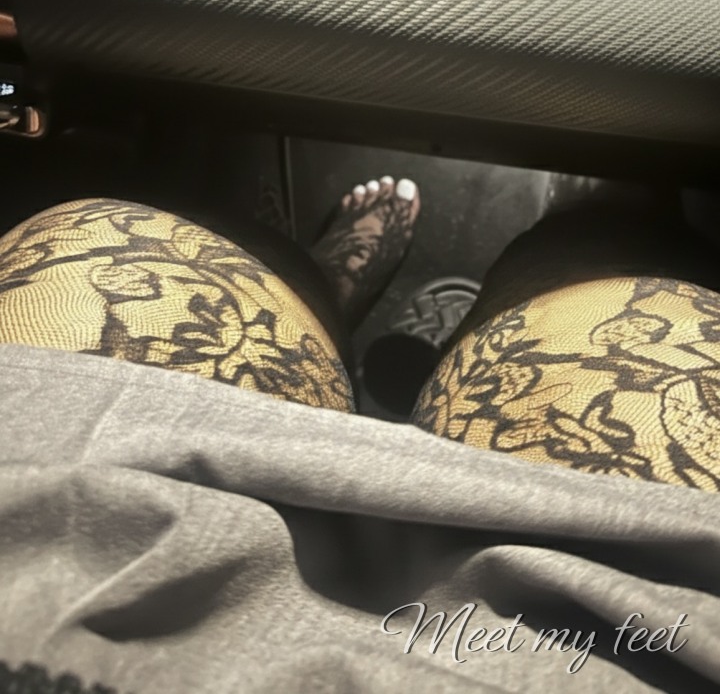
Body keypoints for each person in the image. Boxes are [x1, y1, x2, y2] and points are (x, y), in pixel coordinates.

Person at [0, 177, 718, 693]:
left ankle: (331, 298)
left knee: (110, 238)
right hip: (632, 624)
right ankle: (613, 192)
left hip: (51, 516)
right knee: (613, 275)